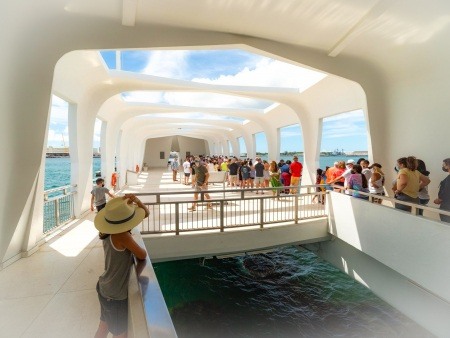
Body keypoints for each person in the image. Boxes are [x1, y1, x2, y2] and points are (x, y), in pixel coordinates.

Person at [94, 195, 149, 338]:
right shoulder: (122, 236)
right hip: (115, 294)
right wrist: (136, 203)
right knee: (120, 335)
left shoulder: (106, 232)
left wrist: (136, 201)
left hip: (104, 286)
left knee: (103, 327)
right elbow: (142, 255)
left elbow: (145, 214)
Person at [434, 158, 450, 223]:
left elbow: (447, 191)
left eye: (444, 165)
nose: (443, 166)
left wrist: (439, 199)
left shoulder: (449, 178)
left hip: (447, 206)